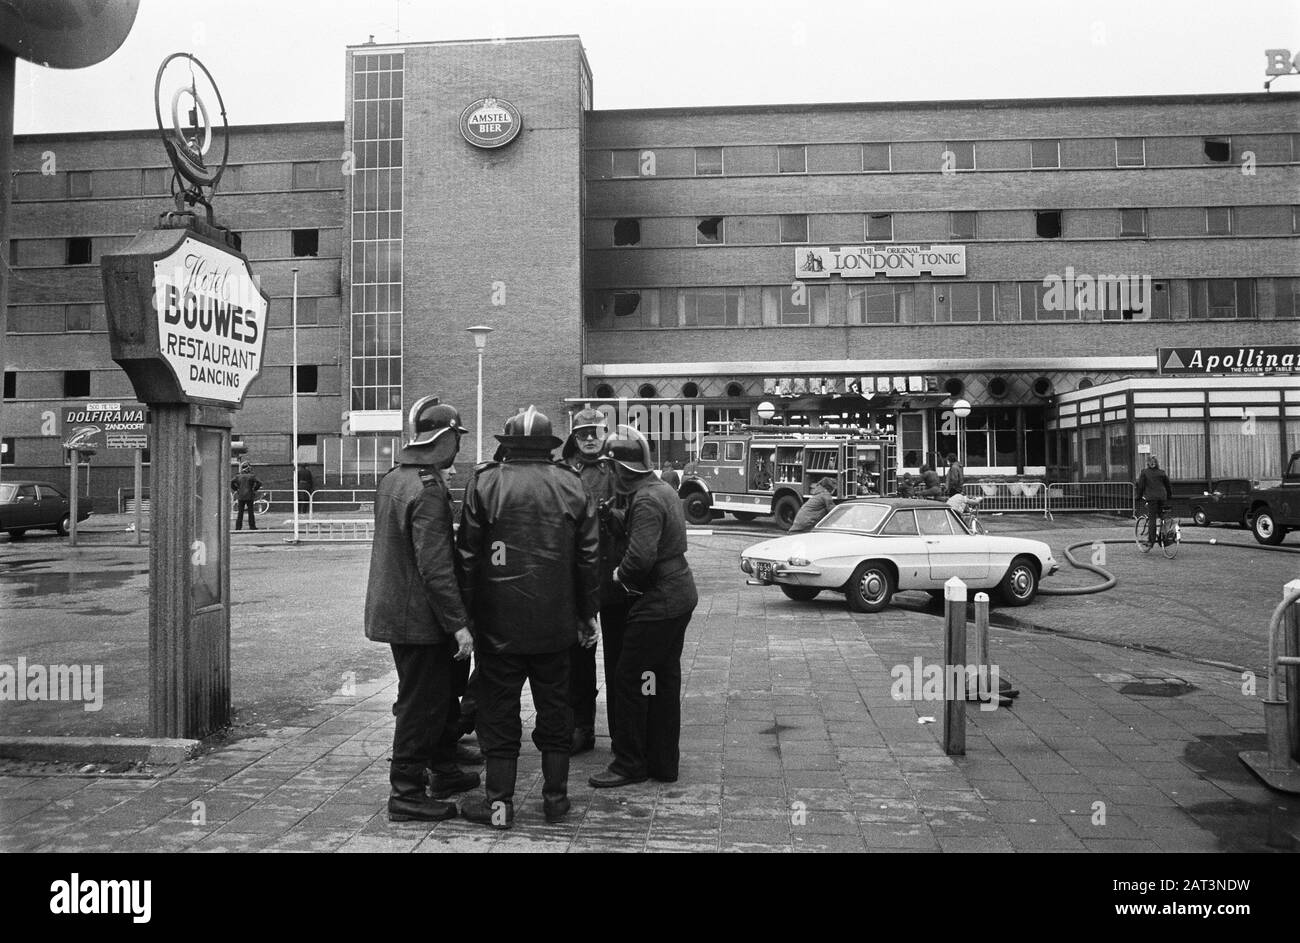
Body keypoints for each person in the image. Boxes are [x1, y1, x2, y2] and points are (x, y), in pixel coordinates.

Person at [457, 406, 601, 828]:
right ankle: (555, 800)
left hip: (498, 625)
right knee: (556, 709)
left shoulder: (484, 483)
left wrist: (465, 617)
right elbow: (588, 558)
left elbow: (467, 557)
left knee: (498, 714)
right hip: (555, 625)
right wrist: (586, 614)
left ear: (507, 445)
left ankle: (499, 807)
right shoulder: (572, 485)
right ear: (550, 446)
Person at [364, 395, 478, 822]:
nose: (459, 449)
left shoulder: (395, 478)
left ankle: (443, 769)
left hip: (397, 611)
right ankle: (406, 792)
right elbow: (435, 568)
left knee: (437, 694)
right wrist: (459, 625)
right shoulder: (428, 490)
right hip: (420, 619)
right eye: (457, 439)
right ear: (446, 439)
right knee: (421, 704)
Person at [589, 425, 698, 789]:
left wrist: (619, 574)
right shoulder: (661, 489)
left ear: (621, 469)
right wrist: (617, 519)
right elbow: (651, 531)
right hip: (678, 595)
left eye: (609, 467)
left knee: (630, 678)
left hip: (658, 600)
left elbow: (640, 558)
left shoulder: (646, 500)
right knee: (662, 678)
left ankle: (629, 763)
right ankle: (663, 762)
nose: (608, 474)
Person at [560, 405, 630, 756]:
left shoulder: (620, 470)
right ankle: (581, 726)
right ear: (573, 437)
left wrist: (612, 515)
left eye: (595, 432)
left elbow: (635, 514)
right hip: (578, 578)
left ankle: (622, 731)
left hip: (614, 576)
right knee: (579, 658)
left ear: (605, 434)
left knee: (619, 659)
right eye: (582, 433)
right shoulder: (563, 472)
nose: (588, 438)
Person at [1135, 454, 1172, 548]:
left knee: (1152, 519)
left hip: (1152, 498)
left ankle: (1151, 541)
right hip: (1162, 497)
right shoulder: (1162, 472)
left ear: (1148, 463)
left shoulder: (1144, 472)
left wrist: (1138, 497)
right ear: (1156, 463)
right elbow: (1168, 485)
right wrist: (1169, 496)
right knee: (1163, 517)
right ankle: (1165, 538)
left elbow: (1141, 486)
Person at [230, 461, 262, 531]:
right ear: (248, 468)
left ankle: (238, 527)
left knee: (240, 512)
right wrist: (254, 489)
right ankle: (252, 526)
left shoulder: (238, 476)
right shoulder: (252, 476)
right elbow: (259, 482)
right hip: (250, 496)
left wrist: (236, 489)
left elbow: (231, 482)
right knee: (251, 512)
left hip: (241, 496)